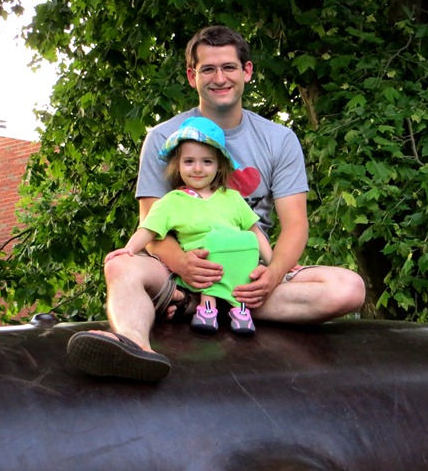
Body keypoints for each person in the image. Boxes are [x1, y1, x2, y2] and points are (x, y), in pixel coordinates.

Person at [67, 25, 366, 383]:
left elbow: (295, 225)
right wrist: (185, 266)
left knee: (349, 288)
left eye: (228, 67)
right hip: (179, 271)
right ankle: (135, 344)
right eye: (208, 69)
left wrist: (271, 276)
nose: (219, 78)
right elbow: (151, 225)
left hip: (247, 277)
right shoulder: (162, 137)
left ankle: (224, 305)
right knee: (121, 268)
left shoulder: (279, 139)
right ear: (192, 75)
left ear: (247, 72)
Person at [103, 116, 272, 336]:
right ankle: (206, 308)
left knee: (244, 248)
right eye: (189, 161)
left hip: (238, 268)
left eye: (207, 162)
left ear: (219, 165)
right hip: (203, 271)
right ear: (178, 165)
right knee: (210, 252)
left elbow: (255, 232)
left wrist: (277, 264)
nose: (198, 169)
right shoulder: (173, 201)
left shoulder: (233, 198)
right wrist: (129, 250)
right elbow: (148, 229)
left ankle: (239, 311)